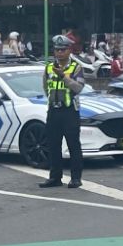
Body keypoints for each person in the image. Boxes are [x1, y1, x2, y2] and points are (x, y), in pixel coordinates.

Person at [42, 32, 86, 188]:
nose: (59, 52)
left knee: (73, 145)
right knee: (53, 146)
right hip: (53, 111)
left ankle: (75, 178)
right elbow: (46, 88)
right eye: (57, 49)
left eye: (63, 49)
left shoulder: (76, 67)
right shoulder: (48, 68)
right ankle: (55, 177)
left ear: (69, 50)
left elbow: (78, 87)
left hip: (69, 112)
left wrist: (64, 77)